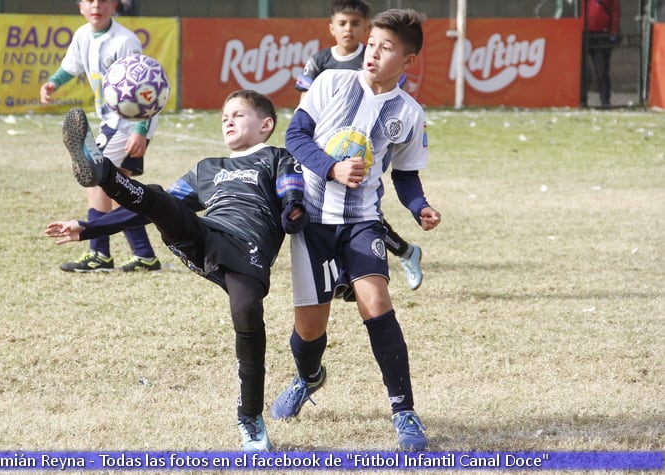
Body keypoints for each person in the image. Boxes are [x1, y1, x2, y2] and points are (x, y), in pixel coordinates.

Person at [45, 90, 308, 451]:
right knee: (158, 197)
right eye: (224, 117)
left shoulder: (277, 157)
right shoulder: (207, 168)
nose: (228, 121)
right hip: (204, 235)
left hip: (248, 248)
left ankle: (249, 416)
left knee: (247, 313)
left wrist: (293, 209)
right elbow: (152, 207)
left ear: (266, 125)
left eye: (238, 115)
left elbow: (292, 191)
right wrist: (90, 227)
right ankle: (102, 170)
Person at [270, 9, 441, 451]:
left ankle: (404, 411)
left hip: (362, 222)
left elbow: (404, 174)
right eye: (372, 45)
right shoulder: (331, 83)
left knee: (377, 303)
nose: (373, 54)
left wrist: (420, 206)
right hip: (311, 220)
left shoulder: (409, 113)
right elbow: (295, 136)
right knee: (309, 328)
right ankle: (309, 377)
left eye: (386, 49)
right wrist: (331, 168)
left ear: (408, 61)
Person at [296, 0, 424, 291]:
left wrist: (420, 206)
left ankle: (357, 271)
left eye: (355, 24)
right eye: (342, 23)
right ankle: (355, 269)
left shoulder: (403, 105)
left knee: (365, 219)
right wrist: (328, 162)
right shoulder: (324, 69)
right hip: (316, 192)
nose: (349, 30)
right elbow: (299, 126)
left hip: (361, 191)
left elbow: (404, 170)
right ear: (331, 28)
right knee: (310, 322)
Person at [40, 0, 160, 273]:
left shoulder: (125, 41)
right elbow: (70, 67)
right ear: (80, 6)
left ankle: (99, 253)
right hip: (113, 120)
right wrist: (53, 83)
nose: (97, 5)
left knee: (95, 177)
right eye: (90, 0)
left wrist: (140, 130)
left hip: (131, 121)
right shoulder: (83, 35)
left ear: (115, 6)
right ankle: (144, 256)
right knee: (119, 188)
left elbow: (143, 87)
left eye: (104, 0)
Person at [581, 0, 621, 107]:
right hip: (583, 32)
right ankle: (582, 100)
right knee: (582, 71)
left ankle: (605, 101)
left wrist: (614, 32)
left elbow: (615, 11)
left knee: (602, 71)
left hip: (602, 34)